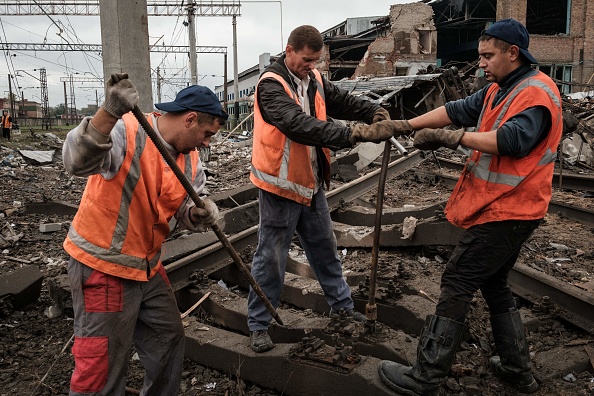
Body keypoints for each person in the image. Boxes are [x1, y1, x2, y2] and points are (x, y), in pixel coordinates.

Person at [377, 18, 563, 395]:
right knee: (493, 283)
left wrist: (451, 138)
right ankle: (517, 369)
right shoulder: (500, 87)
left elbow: (512, 140)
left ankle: (426, 376)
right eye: (480, 56)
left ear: (514, 53)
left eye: (487, 56)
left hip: (511, 209)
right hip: (502, 206)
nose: (480, 63)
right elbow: (456, 109)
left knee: (458, 279)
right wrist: (404, 125)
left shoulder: (536, 94)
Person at [62, 75, 227, 395]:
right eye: (208, 133)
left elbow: (182, 203)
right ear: (190, 119)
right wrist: (108, 112)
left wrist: (197, 212)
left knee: (168, 337)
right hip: (102, 265)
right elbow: (76, 162)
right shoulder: (128, 130)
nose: (208, 142)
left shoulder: (190, 156)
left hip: (145, 265)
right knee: (103, 366)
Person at [247, 24, 405, 353]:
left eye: (316, 60)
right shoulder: (270, 86)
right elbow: (297, 125)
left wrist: (371, 111)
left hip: (311, 183)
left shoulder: (315, 79)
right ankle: (259, 324)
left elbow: (341, 100)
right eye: (307, 59)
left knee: (325, 249)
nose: (312, 66)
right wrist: (353, 134)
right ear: (289, 50)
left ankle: (343, 309)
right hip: (279, 189)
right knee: (270, 257)